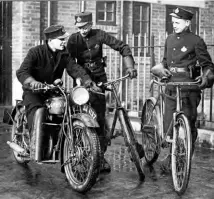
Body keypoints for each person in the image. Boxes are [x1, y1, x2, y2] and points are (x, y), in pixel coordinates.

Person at [67, 12, 145, 173]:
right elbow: (69, 63)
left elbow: (122, 46)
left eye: (85, 27)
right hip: (82, 79)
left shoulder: (99, 35)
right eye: (79, 27)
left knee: (100, 118)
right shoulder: (73, 40)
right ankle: (77, 150)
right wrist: (81, 79)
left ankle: (100, 156)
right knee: (80, 115)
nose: (82, 30)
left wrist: (130, 66)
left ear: (91, 24)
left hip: (100, 78)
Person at [151, 7, 214, 173]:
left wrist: (206, 77)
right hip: (171, 86)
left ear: (187, 22)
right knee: (169, 127)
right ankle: (171, 158)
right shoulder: (169, 39)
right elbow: (165, 61)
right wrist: (160, 68)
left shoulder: (196, 41)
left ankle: (184, 160)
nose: (174, 25)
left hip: (189, 89)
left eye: (178, 22)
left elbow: (208, 66)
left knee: (188, 125)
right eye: (173, 22)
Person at [16, 25, 93, 156]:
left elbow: (74, 68)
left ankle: (61, 142)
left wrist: (86, 80)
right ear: (50, 40)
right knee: (37, 112)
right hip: (34, 92)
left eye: (65, 38)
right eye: (61, 39)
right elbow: (22, 71)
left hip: (52, 91)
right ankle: (33, 145)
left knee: (67, 108)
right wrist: (33, 82)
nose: (64, 41)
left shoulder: (64, 54)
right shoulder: (35, 52)